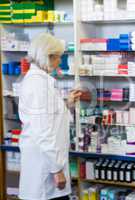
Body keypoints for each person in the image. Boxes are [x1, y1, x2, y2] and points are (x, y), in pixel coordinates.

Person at [18, 33, 82, 200]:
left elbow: (50, 117)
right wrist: (56, 170)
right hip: (45, 168)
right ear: (48, 56)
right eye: (58, 57)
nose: (59, 62)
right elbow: (43, 132)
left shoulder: (42, 81)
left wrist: (66, 104)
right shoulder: (37, 84)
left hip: (48, 162)